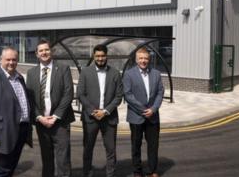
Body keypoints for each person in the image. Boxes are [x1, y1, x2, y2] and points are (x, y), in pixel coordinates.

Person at [0, 47, 33, 176]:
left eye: (14, 59)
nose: (11, 62)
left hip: (20, 130)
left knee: (10, 169)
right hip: (1, 134)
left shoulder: (19, 78)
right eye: (8, 59)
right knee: (1, 171)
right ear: (1, 60)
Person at [26, 39, 75, 177]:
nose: (44, 53)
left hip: (60, 122)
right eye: (41, 50)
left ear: (51, 51)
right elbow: (30, 98)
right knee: (46, 158)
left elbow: (68, 93)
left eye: (46, 50)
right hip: (42, 123)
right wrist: (40, 117)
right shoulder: (31, 72)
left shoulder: (63, 68)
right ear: (36, 54)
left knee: (63, 159)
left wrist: (55, 116)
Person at [76, 44, 123, 177]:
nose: (100, 58)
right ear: (93, 56)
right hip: (91, 118)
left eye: (102, 56)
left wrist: (105, 111)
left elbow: (119, 96)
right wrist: (93, 111)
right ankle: (87, 173)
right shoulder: (85, 72)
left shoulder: (115, 73)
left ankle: (110, 174)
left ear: (106, 56)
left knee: (111, 150)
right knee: (88, 149)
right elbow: (80, 93)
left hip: (109, 117)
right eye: (97, 56)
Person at [123, 48, 164, 177]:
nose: (143, 61)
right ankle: (137, 171)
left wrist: (153, 109)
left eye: (146, 58)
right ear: (136, 60)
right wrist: (143, 109)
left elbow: (160, 92)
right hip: (136, 116)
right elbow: (128, 95)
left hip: (153, 116)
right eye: (140, 58)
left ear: (149, 59)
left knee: (153, 145)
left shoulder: (156, 74)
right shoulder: (129, 74)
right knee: (136, 145)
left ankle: (152, 170)